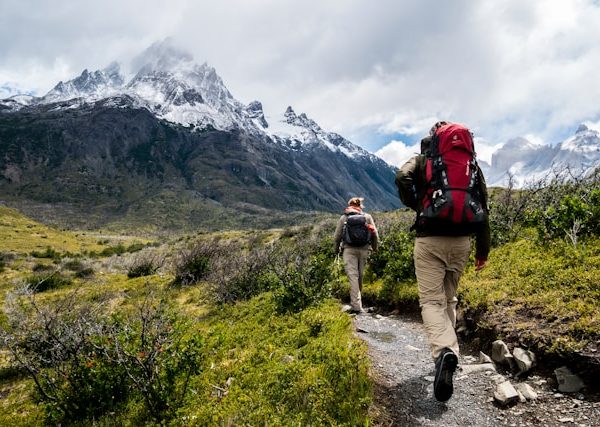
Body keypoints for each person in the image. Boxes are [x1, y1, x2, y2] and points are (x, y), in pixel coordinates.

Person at [395, 121, 491, 402]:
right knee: (449, 299)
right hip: (462, 242)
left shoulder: (425, 160)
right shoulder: (470, 165)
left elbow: (402, 176)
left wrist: (417, 204)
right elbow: (483, 205)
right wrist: (482, 251)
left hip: (430, 239)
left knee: (431, 302)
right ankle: (449, 353)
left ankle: (444, 352)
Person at [333, 197, 379, 314]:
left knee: (353, 276)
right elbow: (375, 234)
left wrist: (336, 250)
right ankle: (358, 303)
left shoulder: (344, 217)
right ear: (360, 206)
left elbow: (337, 236)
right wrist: (374, 248)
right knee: (360, 275)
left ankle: (356, 306)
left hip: (349, 250)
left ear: (349, 205)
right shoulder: (367, 217)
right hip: (364, 250)